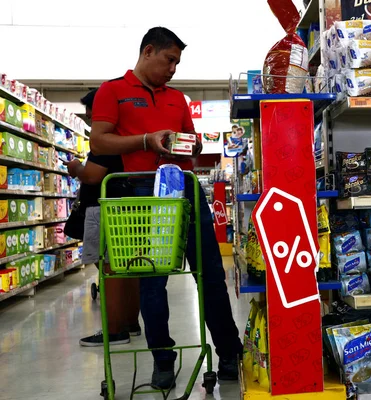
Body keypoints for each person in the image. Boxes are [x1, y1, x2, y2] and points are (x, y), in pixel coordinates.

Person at [89, 27, 243, 389]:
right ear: (147, 52)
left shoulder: (178, 98)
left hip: (186, 188)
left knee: (210, 275)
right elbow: (99, 140)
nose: (173, 68)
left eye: (177, 62)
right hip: (141, 192)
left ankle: (229, 352)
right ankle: (162, 359)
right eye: (168, 59)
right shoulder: (113, 91)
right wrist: (146, 140)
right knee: (152, 280)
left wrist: (192, 144)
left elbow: (191, 141)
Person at [68, 89, 141, 347]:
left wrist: (76, 167)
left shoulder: (105, 139)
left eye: (92, 116)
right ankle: (130, 323)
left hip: (107, 208)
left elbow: (92, 176)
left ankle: (114, 330)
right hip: (129, 207)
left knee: (109, 269)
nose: (91, 121)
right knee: (129, 267)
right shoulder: (128, 134)